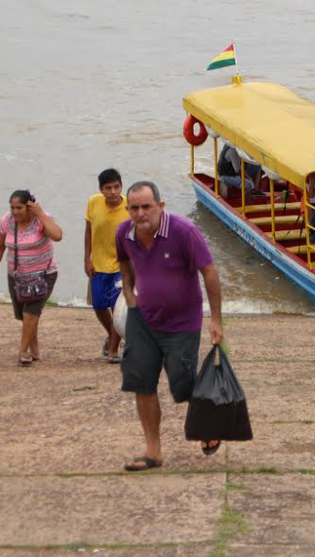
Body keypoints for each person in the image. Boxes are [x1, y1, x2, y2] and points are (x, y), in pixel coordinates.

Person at [116, 181, 223, 470]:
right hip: (143, 320)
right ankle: (153, 451)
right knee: (141, 382)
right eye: (134, 208)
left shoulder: (183, 231)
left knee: (184, 383)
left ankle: (206, 424)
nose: (141, 213)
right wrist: (128, 292)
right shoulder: (124, 233)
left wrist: (215, 319)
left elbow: (209, 272)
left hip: (182, 322)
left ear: (160, 207)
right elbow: (124, 263)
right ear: (128, 210)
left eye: (146, 206)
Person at [0, 190, 63, 366]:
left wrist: (40, 213)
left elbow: (58, 236)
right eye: (12, 207)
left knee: (31, 312)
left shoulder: (41, 219)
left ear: (29, 206)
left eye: (19, 208)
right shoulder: (6, 221)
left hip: (43, 275)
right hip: (17, 276)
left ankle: (22, 351)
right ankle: (34, 348)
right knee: (24, 315)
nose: (15, 212)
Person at [85, 168, 130, 362]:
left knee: (117, 307)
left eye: (116, 187)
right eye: (108, 188)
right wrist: (87, 258)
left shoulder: (130, 206)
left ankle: (112, 351)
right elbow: (88, 232)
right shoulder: (93, 202)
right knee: (99, 306)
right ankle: (112, 336)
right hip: (98, 265)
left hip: (123, 266)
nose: (113, 192)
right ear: (100, 189)